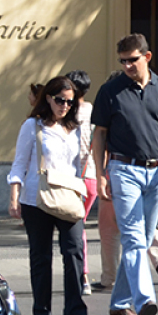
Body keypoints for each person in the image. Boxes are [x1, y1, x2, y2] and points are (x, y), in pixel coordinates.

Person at [91, 33, 158, 315]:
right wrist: (101, 173)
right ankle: (145, 300)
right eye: (122, 61)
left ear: (146, 57)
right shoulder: (110, 90)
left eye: (132, 60)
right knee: (134, 239)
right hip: (124, 170)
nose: (126, 66)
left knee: (144, 239)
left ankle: (120, 304)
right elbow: (99, 134)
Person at [7, 76, 94, 315]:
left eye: (69, 102)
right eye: (59, 100)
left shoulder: (75, 128)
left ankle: (75, 311)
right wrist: (14, 197)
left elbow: (81, 162)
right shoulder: (33, 126)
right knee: (41, 257)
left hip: (68, 197)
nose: (64, 106)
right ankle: (42, 312)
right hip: (37, 198)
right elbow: (19, 164)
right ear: (48, 98)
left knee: (74, 251)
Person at [65, 70, 99, 293]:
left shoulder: (68, 113)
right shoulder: (94, 111)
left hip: (72, 177)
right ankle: (83, 277)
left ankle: (82, 276)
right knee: (81, 228)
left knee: (76, 232)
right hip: (92, 176)